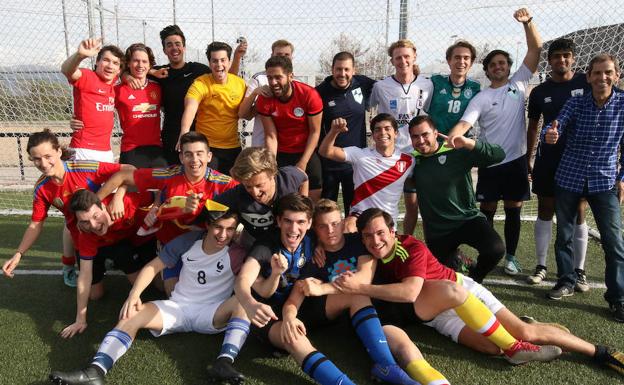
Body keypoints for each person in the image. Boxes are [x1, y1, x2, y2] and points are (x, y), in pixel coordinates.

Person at [341, 208, 624, 374]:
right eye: (368, 236)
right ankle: (522, 329)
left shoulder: (411, 246)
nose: (375, 240)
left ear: (393, 231)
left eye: (380, 233)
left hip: (459, 291)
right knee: (492, 348)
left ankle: (599, 351)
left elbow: (410, 293)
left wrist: (361, 287)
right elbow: (337, 235)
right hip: (437, 315)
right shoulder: (368, 249)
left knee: (524, 335)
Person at [49, 211, 252, 385]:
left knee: (245, 302)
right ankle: (96, 370)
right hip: (178, 308)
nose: (223, 234)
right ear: (207, 224)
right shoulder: (188, 241)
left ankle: (224, 362)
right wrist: (134, 295)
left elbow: (257, 279)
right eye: (218, 227)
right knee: (132, 313)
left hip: (213, 312)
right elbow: (152, 267)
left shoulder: (239, 251)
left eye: (230, 229)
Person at [233, 193, 415, 385]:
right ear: (278, 221)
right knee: (295, 340)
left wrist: (320, 251)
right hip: (270, 315)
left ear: (308, 224)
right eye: (288, 221)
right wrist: (251, 304)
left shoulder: (312, 240)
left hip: (302, 306)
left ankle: (386, 366)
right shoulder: (267, 246)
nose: (294, 228)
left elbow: (331, 238)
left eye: (300, 222)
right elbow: (243, 279)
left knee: (357, 295)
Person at [301, 199, 451, 385]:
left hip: (384, 306)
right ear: (315, 229)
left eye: (334, 224)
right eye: (323, 227)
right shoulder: (314, 255)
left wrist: (322, 288)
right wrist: (317, 244)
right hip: (356, 316)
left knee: (408, 347)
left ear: (342, 222)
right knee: (404, 347)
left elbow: (362, 280)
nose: (330, 230)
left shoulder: (358, 241)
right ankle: (391, 370)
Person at [447, 8, 542, 276]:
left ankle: (511, 257)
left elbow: (536, 49)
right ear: (488, 71)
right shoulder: (481, 97)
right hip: (490, 160)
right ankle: (486, 255)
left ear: (508, 67)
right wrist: (451, 138)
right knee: (486, 209)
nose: (498, 67)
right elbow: (465, 123)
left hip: (515, 161)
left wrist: (528, 23)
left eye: (502, 63)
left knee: (514, 208)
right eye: (493, 64)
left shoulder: (520, 83)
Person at [95, 132, 239, 296]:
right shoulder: (169, 175)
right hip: (172, 245)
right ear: (181, 158)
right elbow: (122, 175)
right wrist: (99, 202)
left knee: (214, 290)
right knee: (169, 291)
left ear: (209, 156)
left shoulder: (224, 183)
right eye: (188, 154)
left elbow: (246, 196)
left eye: (199, 154)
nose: (194, 160)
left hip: (207, 244)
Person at [543, 53, 624, 322]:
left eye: (608, 72)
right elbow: (555, 125)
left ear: (616, 75)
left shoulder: (623, 104)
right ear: (588, 77)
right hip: (569, 177)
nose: (603, 77)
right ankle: (566, 280)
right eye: (597, 73)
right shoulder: (575, 102)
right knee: (563, 234)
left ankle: (617, 298)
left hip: (604, 182)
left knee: (614, 242)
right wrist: (551, 134)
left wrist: (622, 178)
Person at [2, 130, 128, 287]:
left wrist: (118, 197)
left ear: (59, 151)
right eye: (36, 159)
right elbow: (35, 224)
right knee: (95, 294)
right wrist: (18, 254)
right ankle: (71, 265)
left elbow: (128, 169)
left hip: (107, 231)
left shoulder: (84, 168)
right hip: (82, 239)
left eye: (48, 156)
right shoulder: (42, 189)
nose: (43, 163)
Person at [525, 38, 591, 290]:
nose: (561, 60)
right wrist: (528, 157)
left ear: (573, 58)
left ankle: (579, 269)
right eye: (556, 56)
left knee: (579, 211)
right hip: (549, 158)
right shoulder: (540, 91)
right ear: (549, 60)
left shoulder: (586, 82)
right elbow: (533, 127)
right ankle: (541, 265)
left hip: (579, 158)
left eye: (566, 55)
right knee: (545, 208)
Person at [408, 116, 506, 283]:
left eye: (425, 134)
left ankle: (475, 279)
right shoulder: (412, 161)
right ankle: (458, 260)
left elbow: (499, 155)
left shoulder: (455, 151)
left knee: (495, 249)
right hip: (438, 231)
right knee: (443, 283)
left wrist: (469, 143)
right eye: (415, 137)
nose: (421, 140)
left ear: (436, 133)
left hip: (467, 219)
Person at [61, 189, 156, 339]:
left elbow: (157, 195)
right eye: (85, 221)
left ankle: (118, 262)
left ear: (104, 207)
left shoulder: (125, 203)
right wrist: (80, 319)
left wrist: (156, 210)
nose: (93, 225)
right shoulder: (85, 233)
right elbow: (85, 275)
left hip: (122, 245)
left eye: (95, 216)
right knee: (95, 295)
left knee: (143, 283)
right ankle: (105, 263)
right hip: (98, 249)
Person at [370, 39, 432, 235]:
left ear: (414, 57)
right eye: (398, 57)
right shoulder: (381, 87)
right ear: (392, 60)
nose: (403, 60)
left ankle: (406, 240)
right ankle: (382, 239)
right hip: (392, 154)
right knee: (385, 201)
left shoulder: (427, 85)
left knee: (414, 204)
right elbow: (368, 107)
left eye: (407, 56)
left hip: (418, 151)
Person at [71, 43, 168, 168]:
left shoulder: (158, 88)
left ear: (149, 65)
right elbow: (98, 106)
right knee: (129, 186)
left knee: (163, 184)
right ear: (128, 64)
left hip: (156, 149)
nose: (140, 65)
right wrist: (77, 117)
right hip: (131, 149)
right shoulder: (117, 90)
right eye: (136, 61)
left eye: (144, 61)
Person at [319, 113, 414, 232]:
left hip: (388, 220)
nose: (383, 133)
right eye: (378, 130)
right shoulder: (360, 155)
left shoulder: (409, 160)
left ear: (396, 133)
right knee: (348, 227)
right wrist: (334, 132)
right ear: (373, 135)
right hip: (360, 216)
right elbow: (325, 151)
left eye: (387, 129)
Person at [255, 56, 324, 202]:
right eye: (269, 78)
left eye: (278, 77)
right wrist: (271, 163)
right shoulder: (265, 99)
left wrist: (303, 162)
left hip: (307, 152)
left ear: (290, 76)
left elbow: (315, 131)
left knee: (312, 202)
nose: (273, 82)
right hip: (282, 153)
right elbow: (271, 136)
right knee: (282, 201)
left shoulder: (309, 95)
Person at [211, 146, 308, 249]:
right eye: (248, 186)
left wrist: (303, 205)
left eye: (259, 185)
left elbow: (303, 177)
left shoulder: (288, 178)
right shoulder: (238, 194)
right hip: (254, 242)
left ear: (273, 174)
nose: (255, 192)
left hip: (289, 239)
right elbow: (211, 207)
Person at [316, 52, 375, 215]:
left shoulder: (362, 83)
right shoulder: (320, 92)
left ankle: (353, 239)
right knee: (326, 211)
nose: (342, 74)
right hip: (329, 162)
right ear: (332, 69)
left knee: (355, 210)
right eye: (338, 69)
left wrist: (414, 73)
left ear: (354, 70)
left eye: (347, 69)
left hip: (356, 162)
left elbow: (389, 86)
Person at [179, 41, 246, 175]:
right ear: (209, 63)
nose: (219, 65)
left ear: (228, 61)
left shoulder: (240, 84)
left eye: (223, 60)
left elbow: (247, 112)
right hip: (208, 147)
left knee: (233, 187)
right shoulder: (201, 83)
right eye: (215, 61)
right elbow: (191, 106)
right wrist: (184, 132)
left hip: (233, 147)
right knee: (209, 188)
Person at [61, 38, 123, 163]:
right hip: (83, 150)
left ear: (119, 70)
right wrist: (80, 56)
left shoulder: (115, 86)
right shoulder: (88, 77)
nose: (110, 65)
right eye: (106, 60)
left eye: (115, 63)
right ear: (97, 62)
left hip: (106, 151)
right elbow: (67, 71)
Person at [238, 39, 294, 146]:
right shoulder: (259, 78)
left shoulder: (295, 82)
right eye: (279, 54)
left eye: (287, 55)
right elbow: (243, 114)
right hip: (262, 145)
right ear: (272, 55)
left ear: (292, 57)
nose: (282, 57)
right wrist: (255, 93)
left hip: (288, 145)